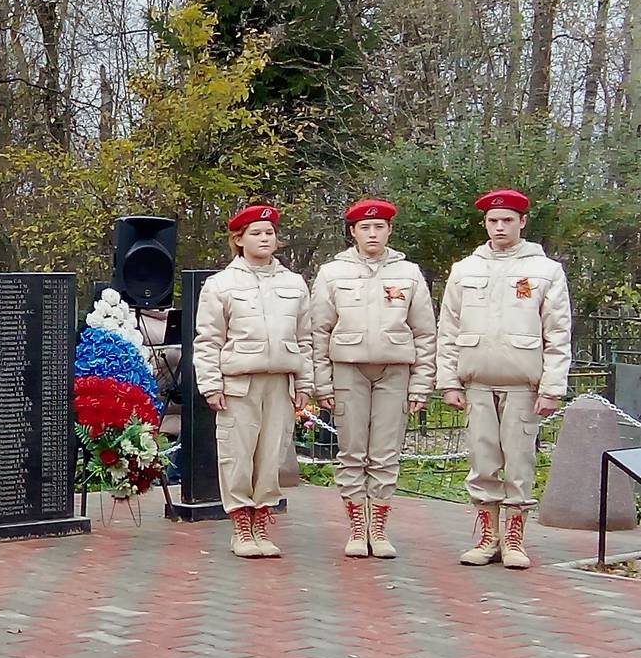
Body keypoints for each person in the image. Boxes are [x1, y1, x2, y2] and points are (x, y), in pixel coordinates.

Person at [437, 190, 572, 569]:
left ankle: (514, 538)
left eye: (508, 220)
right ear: (485, 224)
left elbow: (558, 333)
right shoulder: (464, 270)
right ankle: (486, 536)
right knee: (482, 462)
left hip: (523, 385)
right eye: (494, 221)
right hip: (478, 381)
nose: (500, 227)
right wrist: (448, 381)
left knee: (519, 462)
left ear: (522, 222)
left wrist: (552, 388)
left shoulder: (545, 271)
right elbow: (448, 328)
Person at [310, 199, 437, 559]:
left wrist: (421, 384)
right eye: (364, 228)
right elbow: (318, 331)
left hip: (394, 369)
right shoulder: (331, 274)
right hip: (347, 368)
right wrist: (321, 383)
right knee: (352, 451)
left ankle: (378, 528)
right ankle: (356, 527)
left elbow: (425, 333)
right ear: (352, 232)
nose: (372, 233)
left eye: (379, 227)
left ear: (390, 231)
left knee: (385, 452)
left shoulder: (408, 273)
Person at [192, 204, 312, 559]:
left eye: (269, 233)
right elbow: (208, 339)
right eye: (256, 233)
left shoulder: (293, 283)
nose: (264, 238)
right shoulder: (221, 285)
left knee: (271, 456)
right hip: (239, 384)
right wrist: (211, 384)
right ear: (239, 240)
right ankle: (241, 525)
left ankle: (262, 521)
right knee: (238, 456)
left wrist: (305, 383)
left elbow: (305, 339)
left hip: (280, 382)